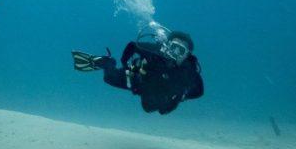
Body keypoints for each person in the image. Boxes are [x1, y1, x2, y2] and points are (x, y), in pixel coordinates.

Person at [72, 31, 204, 115]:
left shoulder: (188, 69)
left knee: (155, 108)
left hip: (161, 94)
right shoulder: (155, 50)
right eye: (173, 47)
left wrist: (182, 96)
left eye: (180, 50)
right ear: (167, 45)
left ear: (186, 55)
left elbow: (199, 91)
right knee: (109, 78)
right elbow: (132, 45)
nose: (174, 53)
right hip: (137, 81)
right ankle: (106, 62)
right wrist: (124, 64)